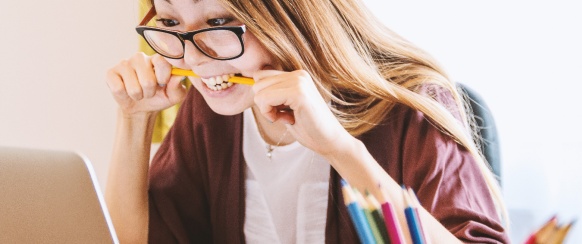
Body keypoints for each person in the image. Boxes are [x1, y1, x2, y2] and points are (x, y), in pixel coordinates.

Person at [104, 0, 510, 243]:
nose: (192, 58)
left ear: (289, 14)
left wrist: (339, 148)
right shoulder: (212, 112)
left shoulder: (410, 106)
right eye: (171, 23)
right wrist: (133, 119)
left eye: (217, 23)